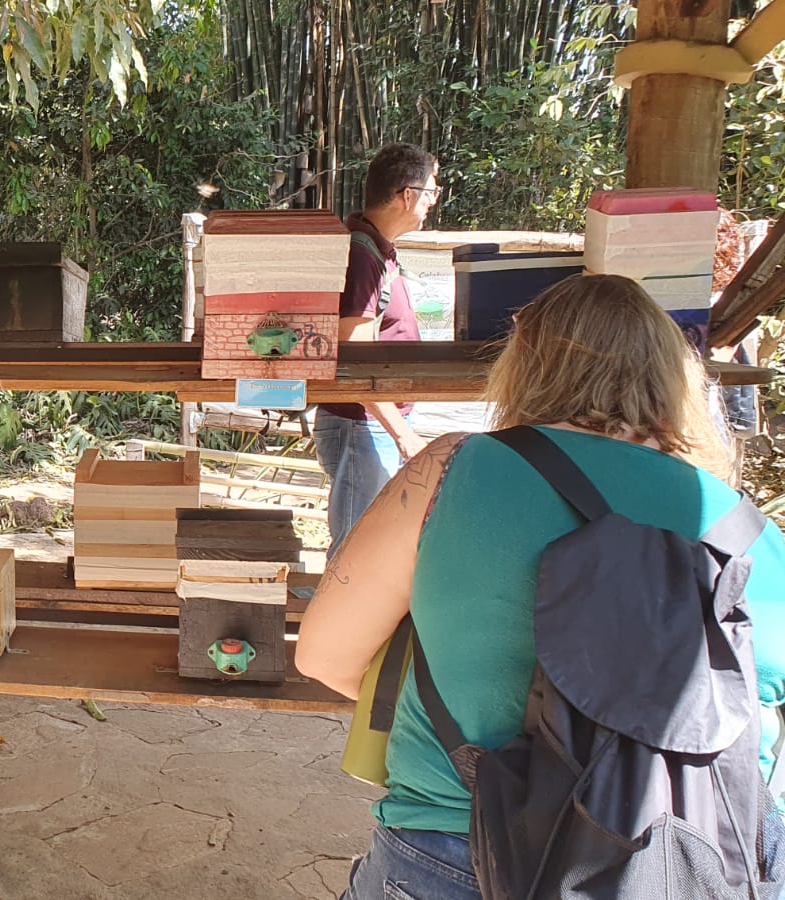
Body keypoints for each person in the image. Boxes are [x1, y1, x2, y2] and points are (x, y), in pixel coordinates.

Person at [295, 274, 784, 898]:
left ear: (524, 367)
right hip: (703, 862)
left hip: (462, 847)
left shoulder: (454, 469)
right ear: (674, 379)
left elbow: (324, 656)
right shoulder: (748, 531)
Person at [313, 143, 439, 552]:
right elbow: (355, 358)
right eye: (432, 192)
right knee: (355, 550)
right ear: (408, 195)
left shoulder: (376, 251)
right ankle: (333, 619)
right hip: (361, 426)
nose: (432, 203)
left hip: (368, 426)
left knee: (367, 545)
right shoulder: (362, 256)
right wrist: (401, 432)